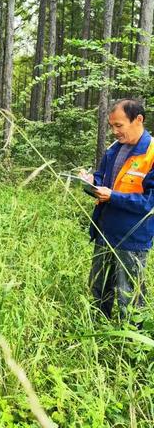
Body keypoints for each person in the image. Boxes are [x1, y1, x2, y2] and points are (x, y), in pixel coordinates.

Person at [80, 99, 154, 322]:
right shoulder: (115, 149)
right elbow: (104, 177)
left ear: (138, 120)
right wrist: (92, 181)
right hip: (105, 232)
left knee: (129, 299)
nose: (114, 131)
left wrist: (113, 196)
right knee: (98, 291)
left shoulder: (151, 153)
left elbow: (149, 203)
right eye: (112, 126)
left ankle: (131, 348)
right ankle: (96, 335)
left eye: (119, 125)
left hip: (131, 239)